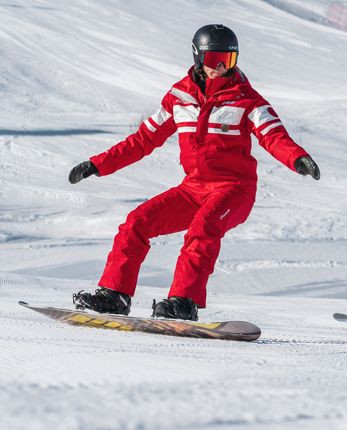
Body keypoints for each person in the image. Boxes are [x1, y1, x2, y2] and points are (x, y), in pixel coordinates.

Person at [70, 24, 320, 320]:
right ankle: (115, 295)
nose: (220, 68)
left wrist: (297, 158)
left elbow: (273, 135)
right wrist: (99, 164)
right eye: (214, 59)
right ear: (198, 57)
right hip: (193, 188)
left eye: (228, 61)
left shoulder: (247, 100)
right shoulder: (179, 98)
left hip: (234, 190)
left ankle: (183, 301)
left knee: (203, 229)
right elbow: (143, 140)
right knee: (137, 222)